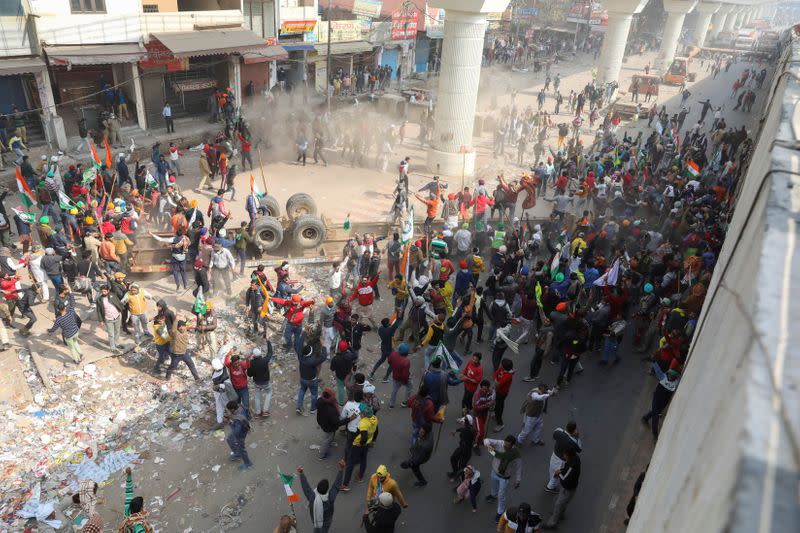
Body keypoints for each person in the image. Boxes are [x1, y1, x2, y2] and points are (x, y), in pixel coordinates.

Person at [298, 460, 345, 533]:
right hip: (327, 520)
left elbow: (306, 488)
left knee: (316, 529)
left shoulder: (312, 497)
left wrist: (301, 474)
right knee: (324, 530)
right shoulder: (330, 497)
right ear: (327, 490)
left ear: (317, 487)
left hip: (315, 519)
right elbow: (336, 485)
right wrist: (341, 470)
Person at [484, 435, 522, 522]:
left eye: (507, 445)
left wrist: (518, 480)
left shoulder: (515, 454)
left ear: (512, 445)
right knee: (493, 486)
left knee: (501, 496)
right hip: (494, 472)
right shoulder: (500, 444)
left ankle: (500, 512)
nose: (505, 445)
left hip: (504, 478)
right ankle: (493, 495)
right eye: (505, 443)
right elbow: (486, 440)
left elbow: (519, 467)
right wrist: (489, 446)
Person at [341, 402, 379, 492]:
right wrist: (372, 441)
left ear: (364, 414)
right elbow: (376, 431)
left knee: (350, 463)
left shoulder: (363, 423)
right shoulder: (374, 418)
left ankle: (345, 484)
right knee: (363, 459)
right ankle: (360, 476)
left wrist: (361, 443)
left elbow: (364, 436)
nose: (359, 414)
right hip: (366, 444)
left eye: (361, 412)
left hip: (358, 445)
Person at [542, 448, 580, 529]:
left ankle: (552, 523)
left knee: (558, 504)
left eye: (565, 455)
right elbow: (565, 469)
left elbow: (565, 479)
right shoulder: (574, 459)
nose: (563, 456)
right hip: (569, 487)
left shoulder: (572, 466)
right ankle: (560, 514)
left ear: (569, 455)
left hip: (568, 488)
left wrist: (558, 474)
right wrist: (561, 471)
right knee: (562, 502)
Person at [47, 286, 82, 364]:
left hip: (69, 333)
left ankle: (76, 360)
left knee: (72, 347)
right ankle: (80, 352)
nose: (67, 291)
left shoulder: (59, 319)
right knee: (74, 341)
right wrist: (71, 292)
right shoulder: (68, 310)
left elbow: (54, 328)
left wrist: (49, 330)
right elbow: (72, 303)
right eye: (66, 289)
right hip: (74, 329)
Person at [546, 421, 582, 492]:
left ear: (566, 426)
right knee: (558, 473)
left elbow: (554, 435)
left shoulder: (558, 431)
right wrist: (577, 437)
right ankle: (550, 487)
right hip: (562, 460)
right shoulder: (573, 441)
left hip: (554, 455)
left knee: (552, 470)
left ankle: (551, 484)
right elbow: (579, 449)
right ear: (574, 430)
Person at [118, 467, 153, 532]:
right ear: (141, 508)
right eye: (143, 505)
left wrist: (129, 475)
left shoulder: (127, 509)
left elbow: (129, 491)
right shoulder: (139, 526)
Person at [400, 421, 434, 487]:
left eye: (422, 432)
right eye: (420, 430)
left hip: (421, 456)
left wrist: (410, 463)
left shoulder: (425, 446)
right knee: (414, 464)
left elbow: (418, 458)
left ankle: (423, 481)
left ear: (426, 433)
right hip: (417, 451)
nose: (419, 433)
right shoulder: (429, 433)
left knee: (415, 468)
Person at [296, 344, 326, 415]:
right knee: (314, 394)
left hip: (302, 379)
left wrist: (303, 333)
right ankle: (313, 409)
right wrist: (323, 346)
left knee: (302, 391)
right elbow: (323, 357)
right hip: (311, 380)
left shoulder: (300, 357)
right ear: (310, 353)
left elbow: (299, 345)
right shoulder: (312, 361)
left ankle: (299, 406)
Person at [95, 284, 124, 354]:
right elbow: (98, 311)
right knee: (111, 334)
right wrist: (101, 320)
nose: (103, 293)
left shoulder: (113, 295)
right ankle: (113, 348)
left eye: (105, 291)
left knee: (117, 331)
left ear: (108, 291)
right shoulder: (99, 299)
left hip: (117, 316)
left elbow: (118, 303)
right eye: (102, 291)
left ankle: (117, 343)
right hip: (108, 319)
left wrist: (121, 310)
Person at [317, 388, 345, 459]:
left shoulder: (320, 400)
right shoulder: (330, 410)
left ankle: (329, 443)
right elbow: (337, 423)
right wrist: (349, 419)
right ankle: (322, 455)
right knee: (327, 440)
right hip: (329, 427)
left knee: (329, 437)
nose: (335, 396)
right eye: (333, 395)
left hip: (322, 422)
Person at [226, 400, 253, 470]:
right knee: (229, 439)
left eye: (228, 410)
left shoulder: (238, 420)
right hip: (243, 427)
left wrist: (230, 423)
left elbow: (236, 432)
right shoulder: (240, 406)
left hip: (241, 434)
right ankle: (237, 454)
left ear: (232, 409)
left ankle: (248, 463)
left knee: (242, 448)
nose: (228, 412)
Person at [224, 350, 252, 419]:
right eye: (235, 363)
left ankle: (247, 416)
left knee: (246, 403)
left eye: (238, 363)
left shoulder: (242, 364)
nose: (237, 364)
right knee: (237, 404)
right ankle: (239, 416)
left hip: (244, 388)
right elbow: (226, 361)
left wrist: (247, 359)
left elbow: (248, 365)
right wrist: (228, 354)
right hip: (235, 388)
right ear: (232, 363)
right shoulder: (230, 365)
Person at [248, 344, 273, 417]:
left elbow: (249, 374)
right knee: (269, 393)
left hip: (257, 382)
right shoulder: (264, 360)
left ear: (254, 356)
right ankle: (265, 411)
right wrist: (268, 341)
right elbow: (270, 353)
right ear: (260, 354)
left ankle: (258, 412)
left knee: (257, 396)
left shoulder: (251, 363)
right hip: (265, 382)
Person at [449, 414, 477, 479]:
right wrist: (456, 430)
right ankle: (455, 473)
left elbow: (464, 429)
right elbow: (462, 429)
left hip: (466, 451)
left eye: (464, 421)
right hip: (462, 448)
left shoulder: (469, 430)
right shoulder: (468, 428)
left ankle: (462, 483)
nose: (463, 422)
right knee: (453, 458)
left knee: (462, 468)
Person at [387, 343, 412, 408]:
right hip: (402, 378)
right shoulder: (406, 361)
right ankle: (405, 402)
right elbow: (405, 374)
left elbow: (389, 361)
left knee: (394, 390)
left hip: (395, 376)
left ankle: (391, 404)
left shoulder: (393, 354)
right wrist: (405, 381)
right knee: (409, 387)